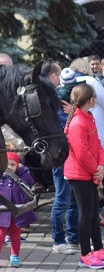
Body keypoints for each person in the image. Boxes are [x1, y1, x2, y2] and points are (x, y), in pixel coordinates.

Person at [64, 82, 104, 268]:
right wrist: (96, 170)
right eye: (94, 96)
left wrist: (101, 165)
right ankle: (86, 254)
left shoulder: (88, 117)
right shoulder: (78, 122)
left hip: (90, 172)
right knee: (86, 214)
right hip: (79, 175)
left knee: (94, 214)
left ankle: (98, 249)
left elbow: (97, 144)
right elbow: (82, 153)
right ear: (90, 99)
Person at [0, 152, 37, 269]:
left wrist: (23, 170)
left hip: (17, 214)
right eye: (7, 164)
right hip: (1, 213)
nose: (10, 167)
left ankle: (14, 256)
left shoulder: (21, 176)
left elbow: (31, 181)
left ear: (17, 166)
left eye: (13, 165)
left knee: (15, 236)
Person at [51, 62, 81, 254]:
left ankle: (74, 240)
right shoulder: (57, 106)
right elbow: (65, 132)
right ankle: (58, 241)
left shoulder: (70, 106)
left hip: (74, 159)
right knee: (62, 199)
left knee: (73, 201)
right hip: (62, 158)